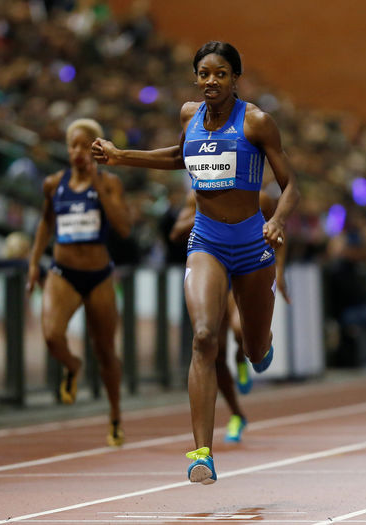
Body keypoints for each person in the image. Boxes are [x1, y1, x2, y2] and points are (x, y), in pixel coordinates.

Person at [92, 40, 300, 484]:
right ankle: (201, 454)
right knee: (204, 336)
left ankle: (258, 353)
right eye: (204, 73)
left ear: (234, 78)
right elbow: (177, 155)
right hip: (206, 239)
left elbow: (290, 184)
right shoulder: (189, 116)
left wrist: (278, 220)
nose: (211, 81)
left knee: (253, 346)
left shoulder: (258, 122)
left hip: (252, 243)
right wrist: (121, 155)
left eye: (220, 73)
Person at [27, 118, 131, 448]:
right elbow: (46, 222)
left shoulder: (110, 182)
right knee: (51, 335)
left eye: (84, 145)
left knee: (105, 350)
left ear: (96, 148)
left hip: (99, 275)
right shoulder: (53, 183)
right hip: (63, 272)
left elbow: (124, 227)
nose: (77, 152)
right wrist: (33, 262)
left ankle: (115, 415)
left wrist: (98, 186)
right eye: (72, 145)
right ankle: (72, 365)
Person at [170, 189, 291, 444]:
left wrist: (279, 270)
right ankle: (237, 414)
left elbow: (280, 232)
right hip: (215, 270)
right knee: (213, 351)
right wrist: (209, 215)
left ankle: (247, 353)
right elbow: (175, 233)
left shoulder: (261, 198)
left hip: (247, 269)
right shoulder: (199, 195)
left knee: (240, 330)